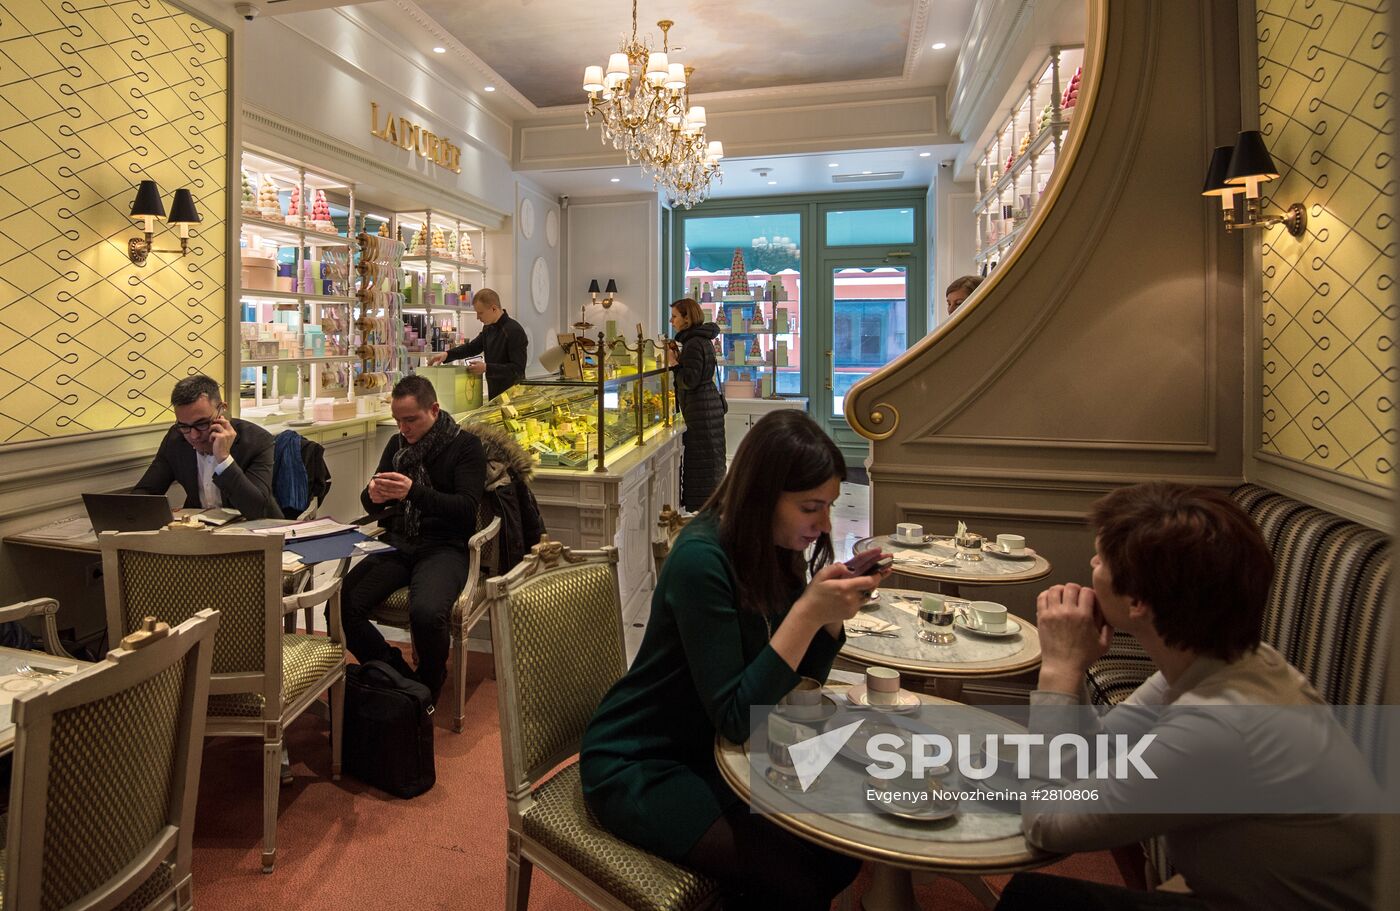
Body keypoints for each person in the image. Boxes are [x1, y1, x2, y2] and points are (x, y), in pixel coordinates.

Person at [998, 482, 1375, 910]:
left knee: (1036, 902)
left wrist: (1058, 669)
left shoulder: (1221, 725)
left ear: (1137, 600)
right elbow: (1099, 753)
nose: (1091, 564)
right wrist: (1075, 666)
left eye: (1101, 559)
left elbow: (1047, 822)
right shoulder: (1230, 662)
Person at [581, 410, 887, 910]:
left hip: (719, 751)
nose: (825, 523)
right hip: (646, 759)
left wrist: (827, 618)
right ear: (765, 495)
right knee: (804, 873)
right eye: (812, 506)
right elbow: (740, 719)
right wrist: (808, 613)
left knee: (841, 846)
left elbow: (792, 691)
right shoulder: (702, 559)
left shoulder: (772, 545)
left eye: (829, 506)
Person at [340, 375, 485, 701]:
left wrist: (413, 492)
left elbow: (465, 510)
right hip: (399, 540)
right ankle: (398, 675)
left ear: (433, 410)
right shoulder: (397, 446)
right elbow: (375, 502)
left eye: (410, 420)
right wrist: (373, 495)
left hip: (445, 546)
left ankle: (429, 682)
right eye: (397, 421)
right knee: (342, 603)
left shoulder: (465, 446)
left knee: (427, 612)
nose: (403, 428)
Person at [132, 374, 281, 519]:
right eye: (184, 426)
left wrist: (224, 459)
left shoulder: (257, 441)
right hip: (201, 534)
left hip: (257, 534)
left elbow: (257, 510)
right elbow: (146, 491)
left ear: (222, 409)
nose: (194, 435)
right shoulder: (176, 438)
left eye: (202, 424)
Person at [665, 297, 725, 511]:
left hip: (700, 411)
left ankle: (701, 513)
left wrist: (673, 363)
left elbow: (689, 381)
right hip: (708, 409)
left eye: (674, 317)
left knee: (701, 468)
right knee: (712, 464)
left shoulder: (693, 343)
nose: (671, 321)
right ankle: (712, 508)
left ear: (687, 318)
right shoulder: (702, 340)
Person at [426, 288, 528, 400]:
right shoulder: (488, 328)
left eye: (480, 313)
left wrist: (487, 368)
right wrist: (447, 355)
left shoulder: (514, 331)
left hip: (515, 397)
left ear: (494, 308)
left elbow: (518, 369)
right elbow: (472, 348)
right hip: (495, 396)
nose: (478, 317)